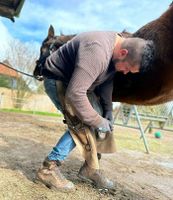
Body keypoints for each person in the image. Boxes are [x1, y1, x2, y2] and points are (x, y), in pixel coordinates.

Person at [35, 31, 155, 191]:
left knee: (97, 118)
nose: (125, 72)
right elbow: (75, 94)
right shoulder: (97, 51)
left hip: (80, 85)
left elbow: (106, 83)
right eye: (127, 68)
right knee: (81, 122)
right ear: (123, 53)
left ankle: (90, 168)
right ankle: (48, 169)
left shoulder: (116, 51)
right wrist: (98, 121)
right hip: (58, 80)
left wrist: (108, 113)